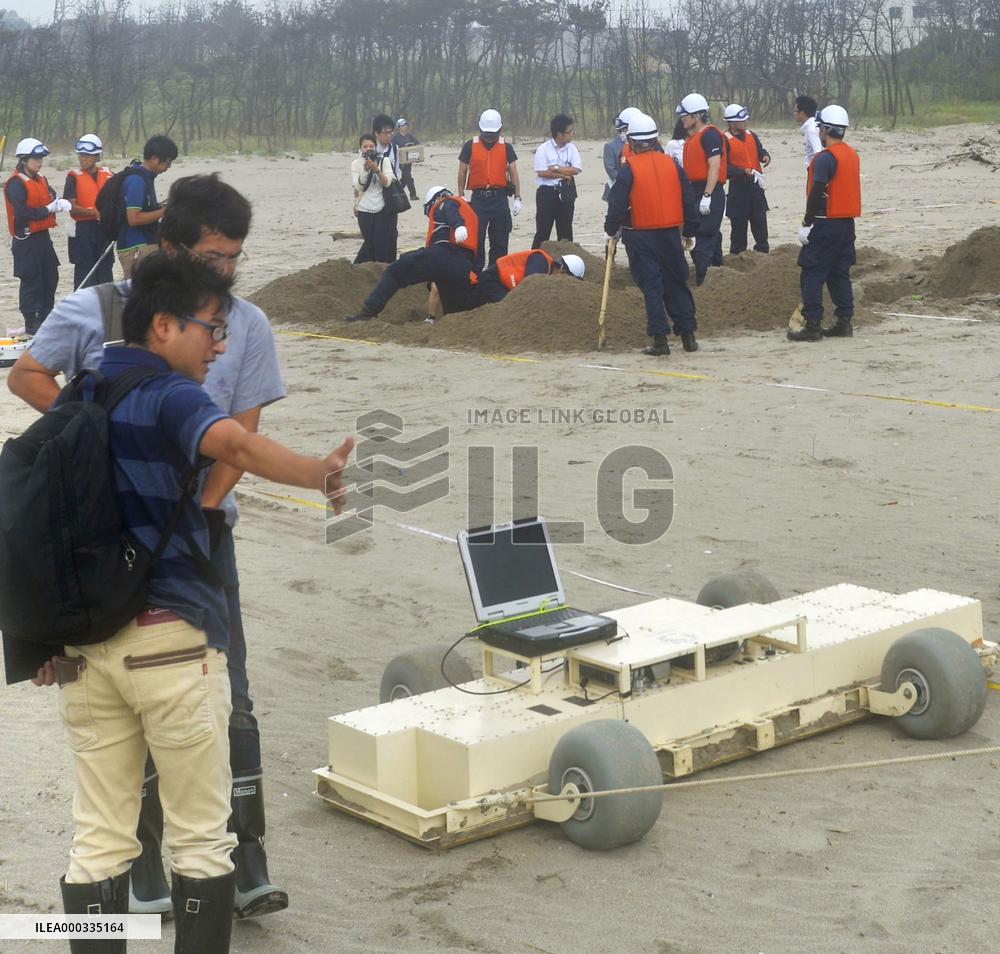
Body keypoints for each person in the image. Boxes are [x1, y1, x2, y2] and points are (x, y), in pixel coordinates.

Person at [29, 251, 352, 952]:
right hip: (169, 642)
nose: (221, 345)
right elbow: (235, 441)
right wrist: (314, 471)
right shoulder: (171, 395)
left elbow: (41, 515)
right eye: (213, 328)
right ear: (166, 325)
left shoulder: (82, 390)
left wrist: (41, 637)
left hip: (86, 651)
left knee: (99, 840)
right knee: (202, 841)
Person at [8, 173, 292, 922]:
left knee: (228, 697)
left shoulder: (248, 324)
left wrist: (189, 509)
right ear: (168, 248)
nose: (227, 271)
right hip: (103, 541)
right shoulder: (95, 311)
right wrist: (91, 442)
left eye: (235, 256)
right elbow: (30, 376)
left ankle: (251, 852)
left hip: (198, 536)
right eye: (213, 255)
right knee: (129, 696)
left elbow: (243, 434)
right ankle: (144, 866)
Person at [604, 113, 700, 357]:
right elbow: (688, 199)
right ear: (655, 139)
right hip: (670, 234)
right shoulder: (673, 165)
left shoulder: (629, 170)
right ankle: (688, 335)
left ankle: (660, 340)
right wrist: (689, 230)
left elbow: (617, 204)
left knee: (652, 286)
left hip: (640, 236)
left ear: (633, 142)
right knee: (677, 282)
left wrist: (610, 229)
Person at [345, 185, 479, 321]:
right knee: (455, 312)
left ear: (436, 198)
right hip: (463, 264)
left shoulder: (445, 202)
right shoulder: (470, 212)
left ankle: (367, 313)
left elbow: (450, 211)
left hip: (443, 253)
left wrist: (458, 225)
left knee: (394, 272)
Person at [789, 105, 861, 342]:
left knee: (811, 273)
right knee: (839, 273)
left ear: (826, 129)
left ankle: (813, 326)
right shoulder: (851, 154)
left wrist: (807, 222)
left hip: (824, 224)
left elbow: (817, 192)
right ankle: (844, 322)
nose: (819, 130)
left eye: (820, 127)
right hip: (846, 225)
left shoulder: (825, 159)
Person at [3, 137, 71, 335]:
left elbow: (50, 196)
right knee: (31, 281)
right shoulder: (15, 183)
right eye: (35, 158)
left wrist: (58, 203)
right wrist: (47, 209)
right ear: (24, 159)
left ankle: (45, 318)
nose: (40, 161)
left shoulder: (41, 179)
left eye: (41, 157)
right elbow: (22, 213)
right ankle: (32, 323)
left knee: (51, 276)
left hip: (42, 238)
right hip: (26, 240)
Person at [457, 109, 522, 271]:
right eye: (486, 133)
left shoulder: (506, 147)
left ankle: (496, 272)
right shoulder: (469, 146)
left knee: (500, 239)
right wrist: (461, 195)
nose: (489, 137)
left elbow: (513, 172)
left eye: (492, 134)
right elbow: (462, 171)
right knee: (476, 239)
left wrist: (518, 198)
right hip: (478, 199)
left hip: (499, 198)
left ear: (499, 130)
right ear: (480, 130)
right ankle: (476, 273)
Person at [678, 93, 727, 286]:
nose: (682, 119)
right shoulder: (694, 138)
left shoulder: (710, 135)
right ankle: (718, 274)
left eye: (686, 116)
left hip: (709, 191)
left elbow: (714, 166)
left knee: (703, 239)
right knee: (707, 236)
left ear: (697, 116)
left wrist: (707, 195)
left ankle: (704, 280)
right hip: (696, 191)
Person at [117, 134, 178, 278]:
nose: (168, 167)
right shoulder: (136, 181)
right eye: (168, 163)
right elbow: (133, 218)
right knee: (142, 292)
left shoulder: (146, 177)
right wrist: (164, 211)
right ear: (155, 158)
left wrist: (158, 206)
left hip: (145, 243)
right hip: (136, 246)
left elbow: (141, 209)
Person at [64, 133, 114, 289]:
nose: (83, 159)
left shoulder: (109, 175)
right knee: (84, 272)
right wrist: (93, 213)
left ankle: (105, 309)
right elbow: (70, 205)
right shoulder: (73, 178)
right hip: (83, 232)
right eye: (81, 155)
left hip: (105, 230)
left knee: (105, 272)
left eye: (87, 155)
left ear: (97, 156)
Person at [722, 104, 771, 255]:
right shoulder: (724, 140)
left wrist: (765, 156)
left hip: (755, 186)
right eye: (742, 120)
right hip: (738, 188)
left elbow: (760, 149)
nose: (745, 122)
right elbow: (723, 167)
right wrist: (742, 172)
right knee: (738, 228)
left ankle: (763, 253)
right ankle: (737, 257)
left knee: (760, 223)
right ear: (732, 123)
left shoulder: (752, 135)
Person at [532, 114, 582, 248]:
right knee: (543, 231)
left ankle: (568, 263)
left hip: (566, 191)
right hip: (547, 193)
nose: (572, 134)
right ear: (559, 134)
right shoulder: (543, 149)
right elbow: (542, 172)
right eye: (569, 132)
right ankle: (536, 261)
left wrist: (557, 169)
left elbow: (576, 169)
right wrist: (564, 175)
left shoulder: (572, 148)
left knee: (566, 231)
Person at [472, 249, 585, 306]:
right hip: (492, 280)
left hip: (503, 286)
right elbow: (529, 286)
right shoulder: (541, 261)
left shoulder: (547, 270)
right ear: (562, 270)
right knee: (509, 306)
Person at [352, 132, 397, 264]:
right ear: (360, 148)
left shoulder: (385, 161)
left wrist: (377, 170)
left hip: (383, 208)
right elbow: (358, 187)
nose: (368, 149)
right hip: (364, 209)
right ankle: (365, 271)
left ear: (375, 147)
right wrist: (366, 171)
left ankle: (383, 271)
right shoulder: (356, 164)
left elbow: (388, 182)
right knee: (369, 243)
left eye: (371, 146)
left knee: (381, 243)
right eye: (365, 146)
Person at [391, 118, 420, 201]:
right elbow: (392, 148)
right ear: (398, 127)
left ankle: (397, 192)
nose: (404, 126)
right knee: (408, 177)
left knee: (404, 178)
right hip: (400, 161)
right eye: (402, 125)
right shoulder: (395, 137)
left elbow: (417, 143)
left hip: (409, 160)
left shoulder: (409, 136)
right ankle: (413, 195)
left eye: (405, 125)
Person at [602, 114, 628, 202]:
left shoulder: (638, 145)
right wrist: (626, 181)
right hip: (616, 188)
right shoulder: (610, 146)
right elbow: (610, 169)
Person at [794, 95, 823, 171]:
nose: (794, 113)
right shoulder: (813, 125)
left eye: (796, 111)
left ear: (802, 113)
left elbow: (818, 152)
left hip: (815, 169)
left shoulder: (811, 129)